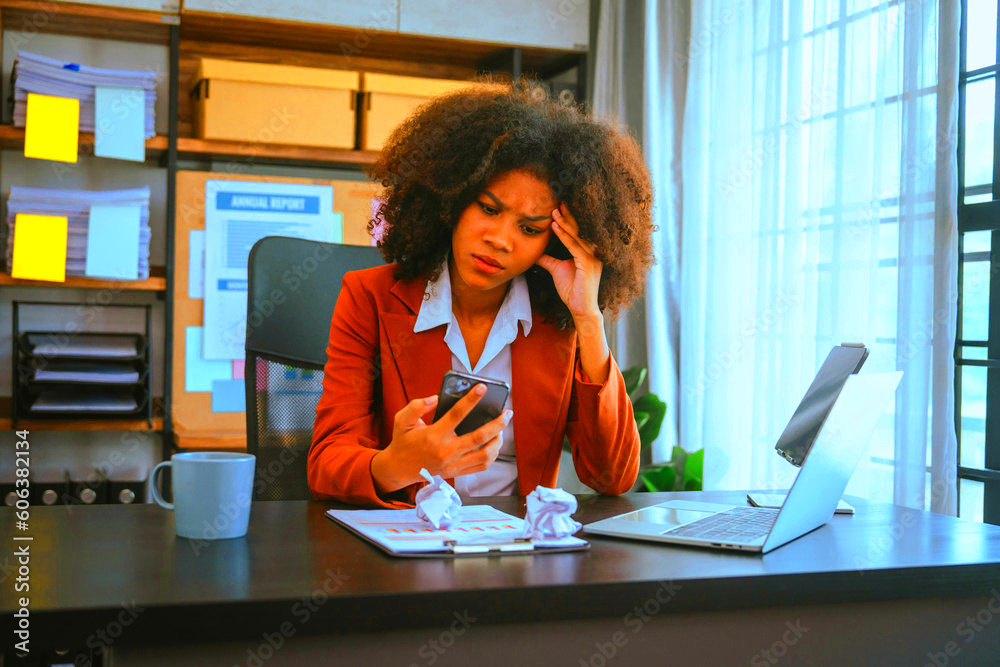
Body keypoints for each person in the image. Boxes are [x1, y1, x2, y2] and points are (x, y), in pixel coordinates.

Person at [309, 81, 655, 508]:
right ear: (452, 199)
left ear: (556, 242)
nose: (500, 239)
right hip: (408, 546)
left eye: (529, 229)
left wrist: (588, 319)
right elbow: (326, 463)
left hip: (515, 554)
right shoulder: (370, 298)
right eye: (489, 209)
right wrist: (399, 463)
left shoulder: (559, 321)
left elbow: (612, 477)